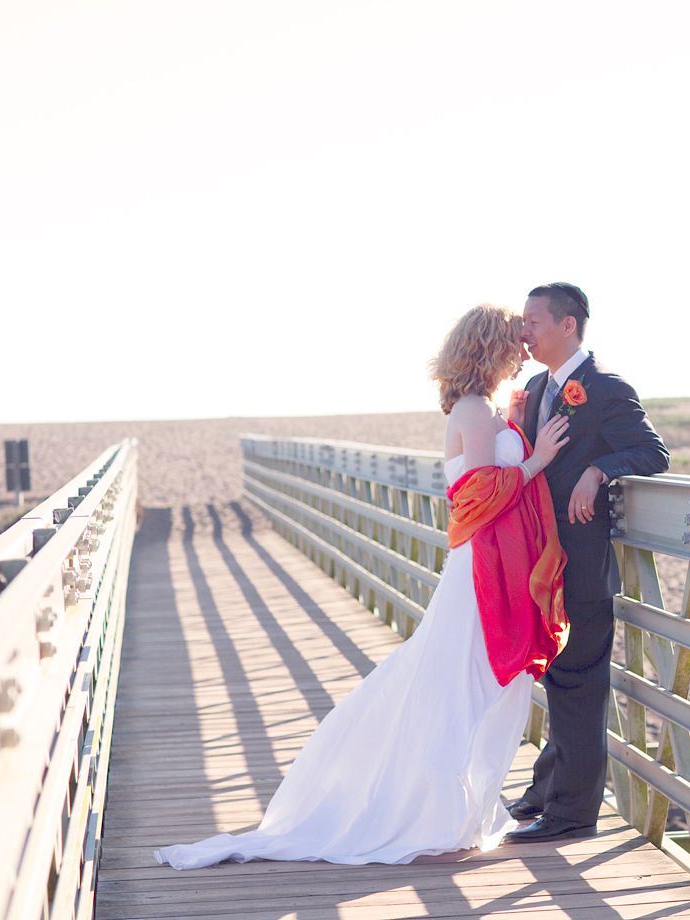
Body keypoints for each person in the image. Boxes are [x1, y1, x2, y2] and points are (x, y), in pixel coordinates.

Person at [153, 304, 573, 869]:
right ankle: (430, 812)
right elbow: (474, 495)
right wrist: (537, 458)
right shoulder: (473, 410)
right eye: (514, 340)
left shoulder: (490, 409)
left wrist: (520, 427)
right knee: (458, 683)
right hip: (479, 570)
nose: (524, 347)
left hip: (498, 566)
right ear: (490, 347)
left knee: (469, 682)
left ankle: (457, 811)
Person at [503, 282, 670, 843]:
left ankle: (572, 814)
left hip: (580, 562)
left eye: (532, 321)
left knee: (577, 679)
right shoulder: (533, 386)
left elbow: (653, 452)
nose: (523, 331)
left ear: (567, 325)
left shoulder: (604, 389)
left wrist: (598, 472)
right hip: (539, 562)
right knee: (557, 677)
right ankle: (545, 792)